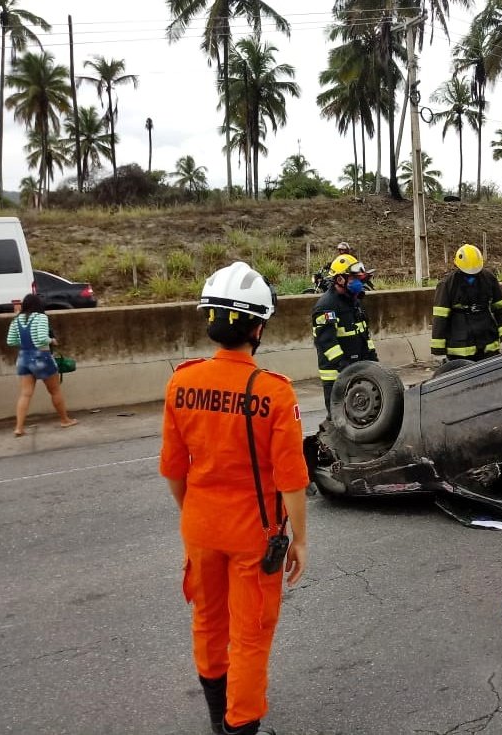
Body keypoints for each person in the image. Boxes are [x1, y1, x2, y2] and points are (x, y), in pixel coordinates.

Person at [160, 262, 309, 735]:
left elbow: (173, 469)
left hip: (200, 526)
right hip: (253, 536)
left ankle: (216, 715)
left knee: (208, 621)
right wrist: (300, 540)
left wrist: (194, 515)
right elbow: (291, 480)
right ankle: (239, 724)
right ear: (258, 328)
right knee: (249, 634)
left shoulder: (181, 382)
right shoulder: (274, 393)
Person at [312, 254, 378, 417]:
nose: (359, 282)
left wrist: (373, 361)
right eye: (354, 278)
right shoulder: (327, 306)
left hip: (358, 371)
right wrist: (345, 366)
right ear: (340, 279)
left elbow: (364, 335)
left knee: (364, 419)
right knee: (340, 420)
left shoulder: (354, 302)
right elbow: (326, 342)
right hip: (337, 377)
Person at [5, 293, 77, 436]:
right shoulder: (41, 317)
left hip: (23, 358)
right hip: (41, 357)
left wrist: (25, 343)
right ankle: (65, 420)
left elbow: (10, 341)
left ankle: (19, 428)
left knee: (25, 394)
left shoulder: (16, 319)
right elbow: (41, 339)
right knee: (55, 391)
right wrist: (52, 340)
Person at [431, 244, 502, 363]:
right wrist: (438, 351)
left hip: (487, 344)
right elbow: (440, 318)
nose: (473, 274)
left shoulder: (488, 278)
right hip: (459, 349)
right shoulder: (447, 284)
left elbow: (501, 308)